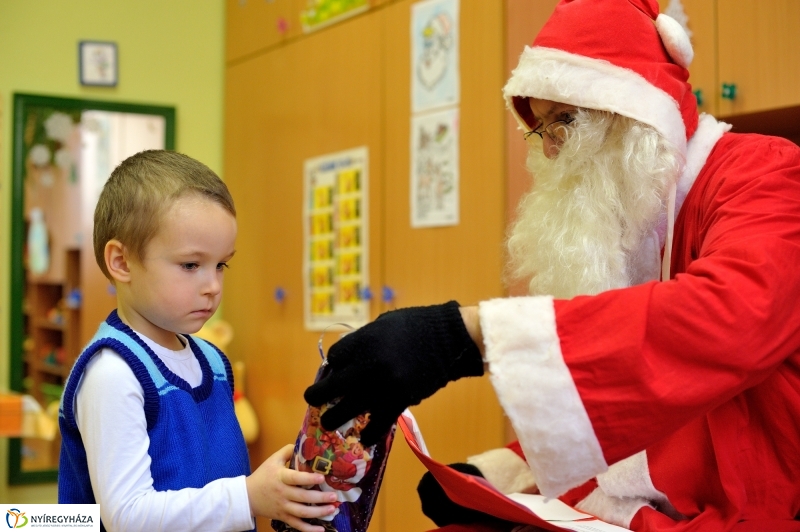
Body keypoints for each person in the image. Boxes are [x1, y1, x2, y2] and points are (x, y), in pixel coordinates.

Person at [303, 0, 800, 530]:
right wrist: (500, 472)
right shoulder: (632, 219)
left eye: (564, 119)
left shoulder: (762, 173)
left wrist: (460, 337)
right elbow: (617, 393)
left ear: (633, 108)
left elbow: (730, 317)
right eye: (543, 128)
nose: (553, 151)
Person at [59, 150, 337, 532]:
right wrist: (247, 497)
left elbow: (213, 484)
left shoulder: (214, 362)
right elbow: (127, 517)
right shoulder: (112, 375)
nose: (213, 286)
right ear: (121, 262)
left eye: (221, 265)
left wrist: (276, 490)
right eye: (191, 265)